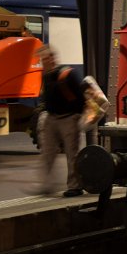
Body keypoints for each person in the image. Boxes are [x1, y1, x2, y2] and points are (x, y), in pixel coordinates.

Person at [34, 46, 109, 196]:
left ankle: (75, 186)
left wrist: (79, 116)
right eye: (42, 60)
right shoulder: (46, 75)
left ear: (52, 58)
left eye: (46, 59)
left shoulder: (67, 74)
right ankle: (45, 185)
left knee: (72, 153)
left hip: (68, 118)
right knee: (47, 152)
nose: (44, 62)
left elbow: (83, 96)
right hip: (51, 118)